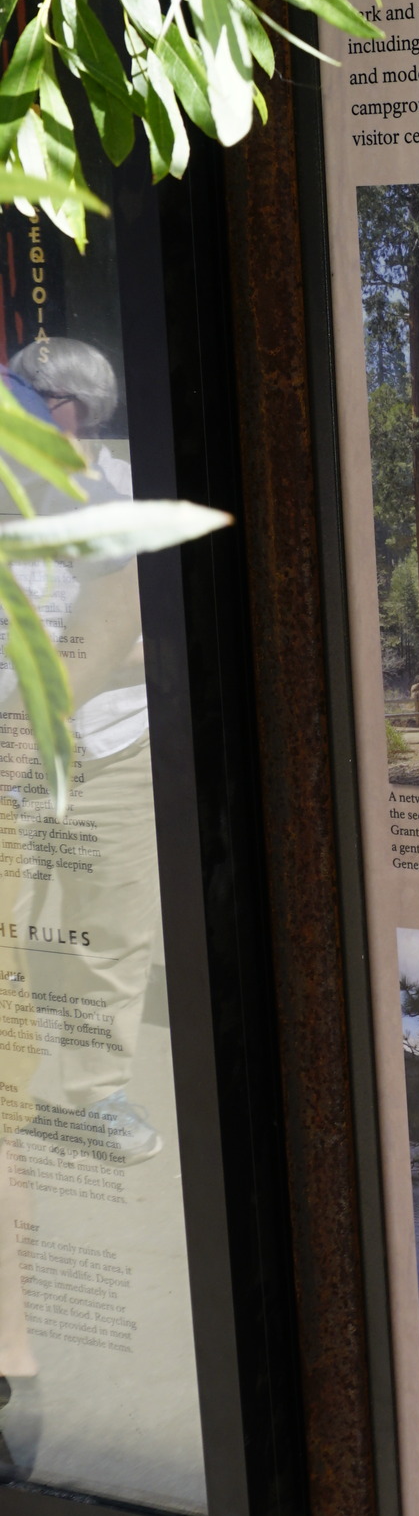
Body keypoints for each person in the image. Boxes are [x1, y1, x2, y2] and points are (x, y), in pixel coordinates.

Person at [1, 338, 162, 1164]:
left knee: (113, 928)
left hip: (114, 740)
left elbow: (154, 628)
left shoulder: (129, 491)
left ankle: (91, 1096)